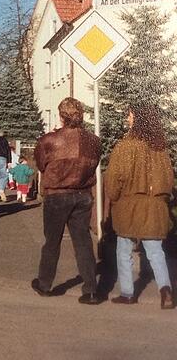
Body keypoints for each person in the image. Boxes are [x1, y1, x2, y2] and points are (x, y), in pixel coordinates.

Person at [33, 97, 103, 305]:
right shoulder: (93, 141)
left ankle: (45, 284)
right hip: (82, 194)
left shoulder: (49, 140)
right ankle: (91, 290)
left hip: (57, 194)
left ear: (62, 116)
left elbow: (41, 164)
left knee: (52, 241)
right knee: (82, 241)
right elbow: (94, 163)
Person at [104, 104, 174, 309]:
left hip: (130, 204)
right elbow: (169, 178)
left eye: (131, 115)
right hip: (155, 206)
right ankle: (165, 290)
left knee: (123, 248)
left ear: (139, 119)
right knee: (155, 250)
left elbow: (115, 176)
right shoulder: (160, 148)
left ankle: (127, 293)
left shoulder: (126, 146)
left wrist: (114, 197)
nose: (128, 119)